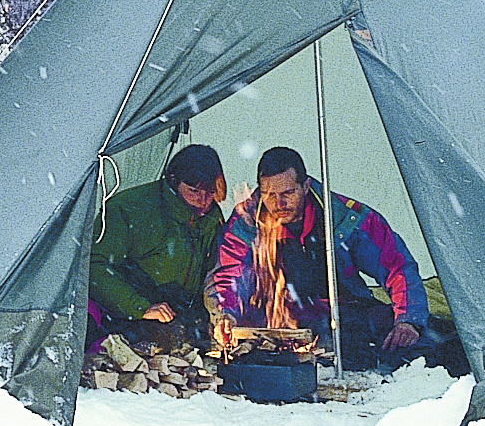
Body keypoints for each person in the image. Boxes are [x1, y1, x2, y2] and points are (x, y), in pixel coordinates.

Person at [206, 146, 444, 372]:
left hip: (342, 311)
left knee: (422, 343)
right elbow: (227, 274)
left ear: (306, 186)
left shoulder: (344, 217)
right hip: (276, 319)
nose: (279, 204)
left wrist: (407, 320)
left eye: (288, 193)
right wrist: (226, 313)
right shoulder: (245, 224)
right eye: (270, 195)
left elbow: (396, 265)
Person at [88, 144, 228, 348]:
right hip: (125, 318)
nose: (203, 201)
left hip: (180, 315)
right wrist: (140, 307)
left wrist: (218, 315)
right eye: (194, 191)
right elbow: (94, 266)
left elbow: (214, 272)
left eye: (211, 192)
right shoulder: (130, 209)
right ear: (173, 180)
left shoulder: (211, 218)